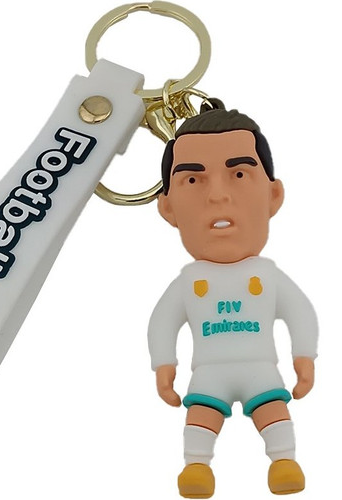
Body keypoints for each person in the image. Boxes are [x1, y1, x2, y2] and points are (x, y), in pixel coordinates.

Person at [148, 102, 318, 498]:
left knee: (273, 409)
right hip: (208, 371)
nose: (218, 196)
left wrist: (304, 356)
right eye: (193, 179)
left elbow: (300, 312)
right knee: (200, 415)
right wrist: (164, 365)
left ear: (273, 195)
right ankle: (196, 468)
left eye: (239, 174)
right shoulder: (189, 282)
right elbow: (162, 322)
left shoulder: (268, 276)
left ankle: (284, 462)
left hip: (261, 367)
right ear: (168, 207)